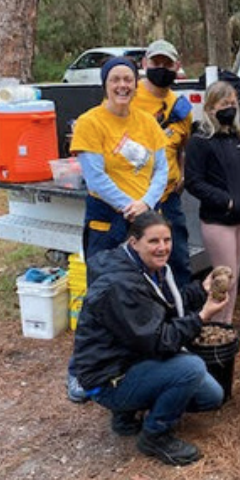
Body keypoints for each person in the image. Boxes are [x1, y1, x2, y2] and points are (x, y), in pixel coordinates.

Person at [72, 211, 228, 466]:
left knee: (211, 396)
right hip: (109, 377)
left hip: (130, 359)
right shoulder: (121, 284)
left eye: (167, 240)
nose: (162, 247)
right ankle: (155, 435)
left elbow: (165, 305)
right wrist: (202, 317)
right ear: (134, 242)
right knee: (191, 368)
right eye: (153, 241)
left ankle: (127, 412)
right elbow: (160, 341)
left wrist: (201, 290)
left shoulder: (146, 268)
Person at [67, 56, 168, 403]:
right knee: (100, 297)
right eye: (116, 80)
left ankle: (133, 361)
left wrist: (146, 204)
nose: (123, 86)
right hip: (108, 220)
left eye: (128, 79)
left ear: (136, 84)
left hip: (145, 219)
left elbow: (162, 169)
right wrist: (130, 206)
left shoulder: (147, 122)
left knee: (143, 292)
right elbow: (95, 177)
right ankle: (81, 372)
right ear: (105, 84)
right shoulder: (90, 122)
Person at [184, 81, 240, 323]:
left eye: (232, 103)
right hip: (219, 221)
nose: (230, 108)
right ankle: (216, 325)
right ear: (210, 108)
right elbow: (193, 182)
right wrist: (225, 201)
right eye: (223, 103)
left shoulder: (238, 137)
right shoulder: (200, 140)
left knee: (234, 276)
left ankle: (226, 324)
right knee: (223, 279)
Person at [134, 39, 194, 289]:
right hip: (136, 200)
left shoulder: (181, 108)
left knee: (178, 258)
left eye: (166, 64)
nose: (161, 68)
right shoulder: (129, 97)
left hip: (169, 198)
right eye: (155, 62)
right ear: (144, 64)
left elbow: (182, 147)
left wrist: (181, 174)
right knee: (137, 265)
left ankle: (181, 306)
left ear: (177, 67)